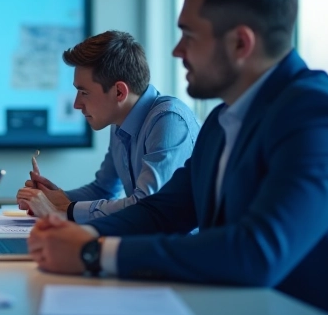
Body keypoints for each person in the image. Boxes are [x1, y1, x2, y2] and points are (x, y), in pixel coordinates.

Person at [26, 0, 328, 315]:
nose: (176, 51)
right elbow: (162, 211)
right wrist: (73, 233)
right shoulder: (222, 122)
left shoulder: (318, 118)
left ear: (240, 43)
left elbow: (256, 253)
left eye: (189, 35)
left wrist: (95, 252)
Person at [16, 31, 200, 224]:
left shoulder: (169, 120)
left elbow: (146, 205)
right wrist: (53, 197)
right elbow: (103, 190)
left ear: (119, 92)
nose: (76, 104)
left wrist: (66, 210)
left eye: (84, 92)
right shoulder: (121, 121)